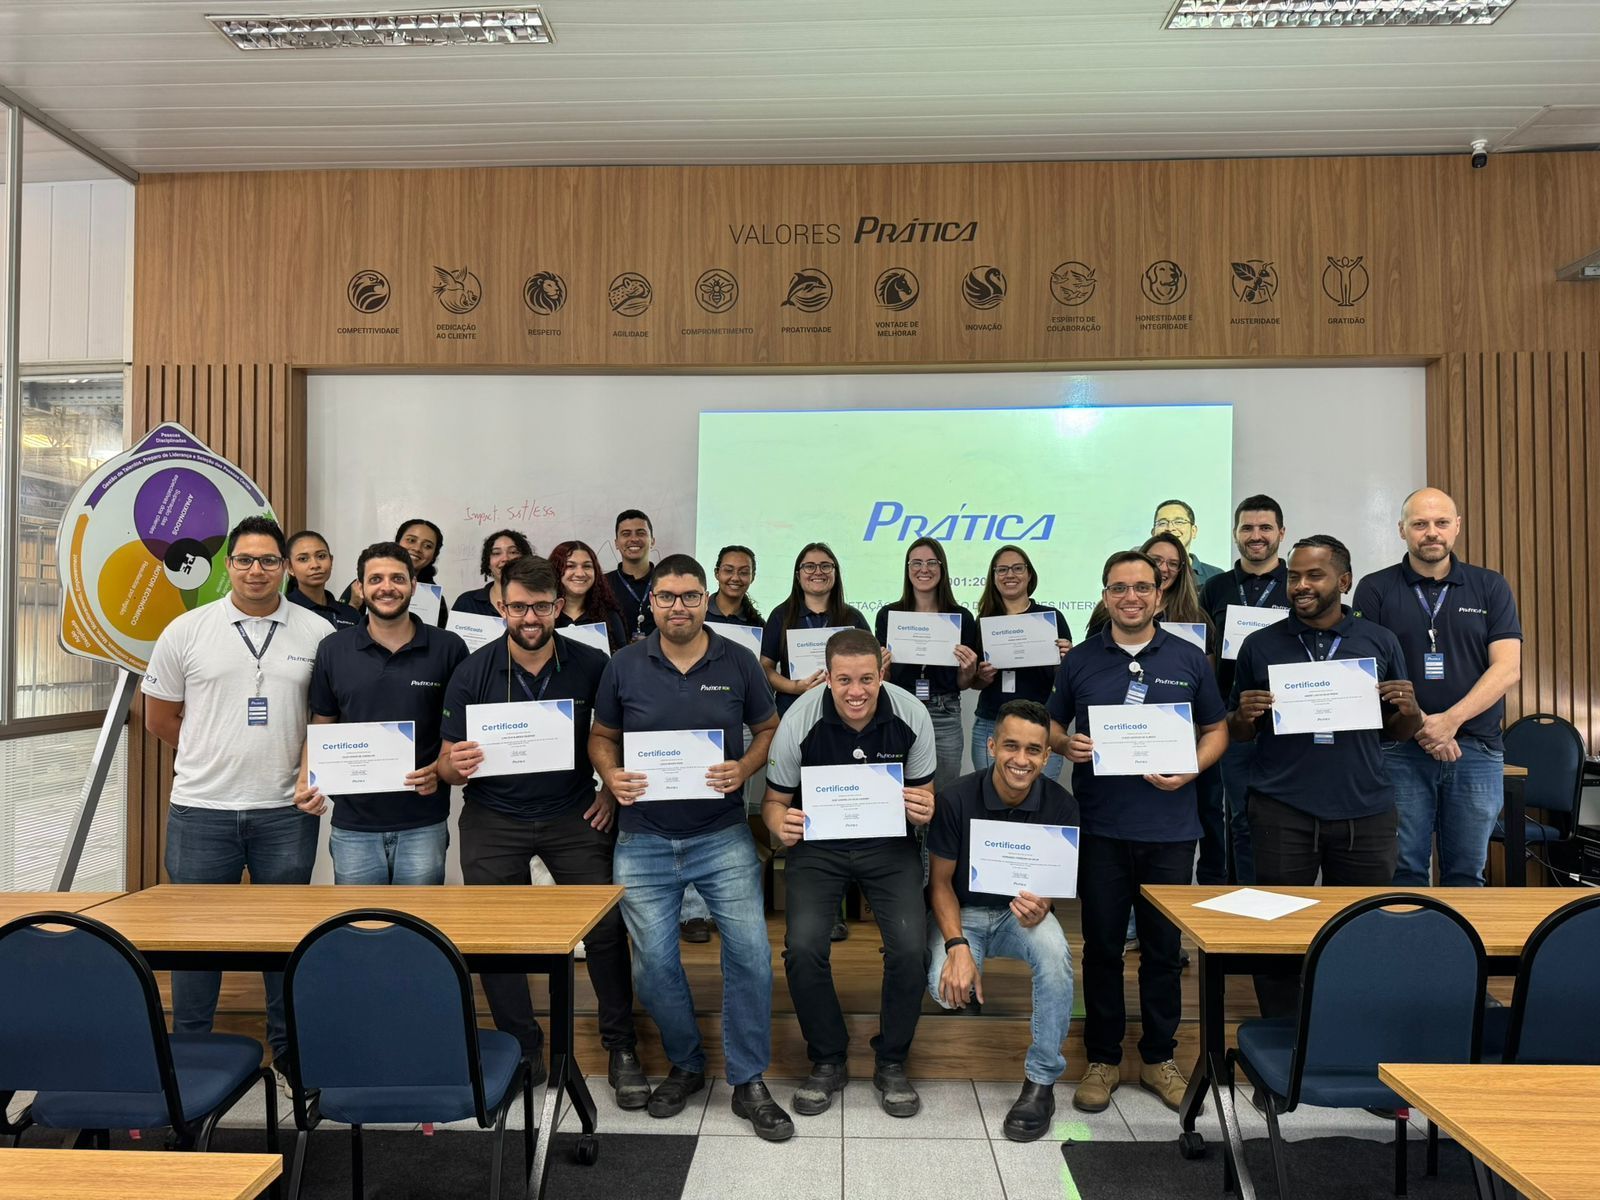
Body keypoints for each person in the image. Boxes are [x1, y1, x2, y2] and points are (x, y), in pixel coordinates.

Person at [589, 554, 791, 1140]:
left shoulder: (739, 660)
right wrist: (611, 775)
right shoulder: (624, 664)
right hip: (643, 838)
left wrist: (745, 769)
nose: (680, 606)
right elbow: (602, 736)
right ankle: (687, 1064)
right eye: (668, 596)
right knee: (653, 966)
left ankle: (749, 1078)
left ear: (706, 599)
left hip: (721, 834)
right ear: (650, 602)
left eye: (691, 596)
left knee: (750, 954)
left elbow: (769, 729)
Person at [438, 555, 645, 1103]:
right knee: (497, 940)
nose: (531, 617)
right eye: (519, 606)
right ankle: (522, 1047)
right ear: (501, 606)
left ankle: (621, 1045)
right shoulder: (472, 671)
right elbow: (442, 763)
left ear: (559, 606)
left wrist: (608, 790)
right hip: (493, 817)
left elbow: (613, 737)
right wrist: (452, 765)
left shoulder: (592, 664)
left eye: (542, 606)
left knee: (603, 932)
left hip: (574, 813)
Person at [141, 515, 332, 1092]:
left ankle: (289, 1051)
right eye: (245, 560)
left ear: (285, 567)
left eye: (269, 560)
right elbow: (159, 716)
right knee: (197, 942)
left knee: (283, 939)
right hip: (202, 809)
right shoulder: (187, 629)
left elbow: (325, 719)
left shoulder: (316, 632)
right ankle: (191, 1052)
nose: (256, 570)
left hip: (284, 811)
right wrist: (213, 750)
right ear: (228, 566)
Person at [1047, 550, 1228, 1115]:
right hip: (1101, 827)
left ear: (1159, 594)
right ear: (1104, 595)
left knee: (1162, 951)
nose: (1131, 597)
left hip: (1172, 831)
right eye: (1120, 588)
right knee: (1101, 948)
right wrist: (1064, 744)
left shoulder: (1189, 656)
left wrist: (1192, 767)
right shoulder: (1079, 660)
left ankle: (1157, 1058)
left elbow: (1217, 728)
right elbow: (1053, 726)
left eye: (1142, 588)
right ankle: (1102, 1059)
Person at [1229, 535, 1420, 1017]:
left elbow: (1395, 732)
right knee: (1276, 933)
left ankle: (1351, 1032)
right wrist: (1243, 716)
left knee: (1364, 931)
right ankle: (1282, 1043)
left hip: (1365, 809)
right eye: (1294, 576)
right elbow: (1238, 733)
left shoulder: (1378, 640)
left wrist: (1411, 711)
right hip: (1281, 808)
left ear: (1344, 580)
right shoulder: (1260, 644)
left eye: (1314, 575)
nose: (1301, 586)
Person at [763, 628, 936, 1119]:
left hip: (888, 844)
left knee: (909, 947)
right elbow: (774, 804)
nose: (856, 691)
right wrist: (781, 823)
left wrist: (924, 807)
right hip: (820, 847)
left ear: (882, 671)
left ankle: (893, 1060)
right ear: (828, 677)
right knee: (803, 948)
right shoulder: (798, 719)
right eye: (844, 680)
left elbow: (926, 796)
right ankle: (827, 1057)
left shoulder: (912, 714)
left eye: (866, 678)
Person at [1352, 488, 1522, 887]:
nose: (1432, 532)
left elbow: (1508, 668)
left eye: (1441, 522)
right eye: (1420, 524)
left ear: (1457, 527)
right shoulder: (1375, 589)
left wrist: (1451, 721)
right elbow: (1368, 672)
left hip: (1476, 750)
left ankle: (1460, 953)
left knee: (1467, 872)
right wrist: (1427, 726)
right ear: (1401, 530)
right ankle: (1408, 950)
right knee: (1403, 869)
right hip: (1399, 751)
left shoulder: (1490, 586)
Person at [927, 699, 1079, 1142]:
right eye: (1011, 746)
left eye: (1034, 750)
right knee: (943, 989)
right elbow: (939, 885)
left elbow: (1053, 883)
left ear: (1047, 756)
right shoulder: (955, 797)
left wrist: (1044, 904)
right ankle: (963, 970)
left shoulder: (1063, 806)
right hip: (965, 911)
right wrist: (956, 948)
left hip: (1020, 917)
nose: (1021, 759)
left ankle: (1041, 1083)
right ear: (991, 746)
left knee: (1056, 957)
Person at [296, 540, 467, 885]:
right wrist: (305, 778)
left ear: (414, 584)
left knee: (419, 927)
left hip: (424, 819)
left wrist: (441, 769)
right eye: (375, 579)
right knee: (362, 929)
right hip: (353, 823)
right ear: (359, 587)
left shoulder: (448, 648)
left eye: (397, 579)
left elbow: (460, 731)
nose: (387, 587)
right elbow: (323, 723)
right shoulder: (333, 649)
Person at [1199, 495, 1291, 885]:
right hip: (1230, 718)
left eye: (1265, 528)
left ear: (1281, 533)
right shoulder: (1216, 587)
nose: (1256, 536)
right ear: (1235, 534)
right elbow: (1202, 651)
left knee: (1284, 819)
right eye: (1247, 528)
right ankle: (1238, 902)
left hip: (1288, 720)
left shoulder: (1297, 583)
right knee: (1237, 817)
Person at [1143, 533, 1225, 887]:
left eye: (1173, 563)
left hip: (1184, 738)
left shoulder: (1196, 619)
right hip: (1127, 736)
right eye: (1157, 560)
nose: (1164, 569)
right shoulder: (1110, 613)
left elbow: (1206, 687)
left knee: (1201, 817)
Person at [874, 537, 981, 796]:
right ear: (907, 569)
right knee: (897, 791)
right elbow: (882, 679)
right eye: (917, 563)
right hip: (898, 709)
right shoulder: (889, 615)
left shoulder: (961, 618)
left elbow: (962, 683)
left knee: (943, 794)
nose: (924, 569)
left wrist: (968, 670)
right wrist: (883, 666)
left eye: (932, 562)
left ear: (942, 568)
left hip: (945, 712)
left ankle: (935, 839)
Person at [971, 545, 1072, 782]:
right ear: (993, 577)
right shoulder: (984, 622)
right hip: (992, 723)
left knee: (1039, 803)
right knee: (989, 801)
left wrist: (1066, 660)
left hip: (1041, 725)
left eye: (1017, 568)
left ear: (1029, 574)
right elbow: (971, 682)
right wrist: (980, 677)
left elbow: (1065, 678)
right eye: (1002, 570)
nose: (1010, 575)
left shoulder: (1052, 618)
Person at [759, 542, 871, 718]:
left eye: (826, 566)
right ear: (798, 575)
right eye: (809, 567)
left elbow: (869, 668)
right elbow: (765, 668)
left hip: (843, 713)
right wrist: (795, 687)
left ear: (835, 573)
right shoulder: (781, 615)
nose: (818, 572)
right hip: (793, 710)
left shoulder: (853, 617)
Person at [343, 518, 448, 628]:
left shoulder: (436, 598)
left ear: (434, 556)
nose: (417, 548)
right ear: (397, 542)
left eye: (428, 546)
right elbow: (343, 629)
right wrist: (354, 604)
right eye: (411, 540)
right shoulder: (362, 585)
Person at [551, 538, 629, 652]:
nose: (580, 573)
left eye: (587, 566)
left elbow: (622, 661)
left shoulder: (609, 616)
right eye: (570, 566)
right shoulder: (544, 615)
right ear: (556, 570)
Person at [284, 529, 360, 630]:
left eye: (321, 556)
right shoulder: (283, 611)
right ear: (289, 567)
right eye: (303, 559)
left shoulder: (350, 614)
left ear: (331, 561)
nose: (315, 565)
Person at [453, 528, 532, 616]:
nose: (505, 558)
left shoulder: (537, 599)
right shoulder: (467, 602)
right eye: (496, 553)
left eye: (513, 552)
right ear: (488, 563)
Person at [606, 509, 657, 643]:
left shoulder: (666, 581)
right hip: (615, 661)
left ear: (652, 541)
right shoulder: (602, 584)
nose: (634, 539)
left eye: (641, 533)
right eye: (626, 534)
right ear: (616, 543)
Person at [1152, 499, 1223, 587]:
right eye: (1162, 523)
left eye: (1179, 522)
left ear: (1193, 531)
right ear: (1153, 532)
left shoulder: (1216, 576)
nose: (1170, 528)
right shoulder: (1141, 571)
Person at [704, 544, 764, 628]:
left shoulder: (758, 625)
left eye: (743, 572)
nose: (735, 578)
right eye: (728, 570)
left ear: (752, 577)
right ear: (717, 573)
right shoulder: (698, 613)